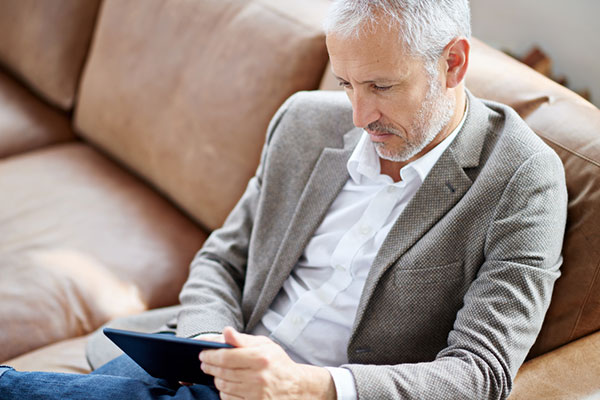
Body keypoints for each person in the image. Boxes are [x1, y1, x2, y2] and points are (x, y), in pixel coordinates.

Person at [0, 0, 567, 399]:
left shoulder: (522, 183)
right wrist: (206, 350)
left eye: (382, 87)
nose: (359, 116)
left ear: (454, 63)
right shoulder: (303, 122)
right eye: (346, 84)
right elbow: (222, 258)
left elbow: (478, 375)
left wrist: (306, 387)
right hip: (212, 367)